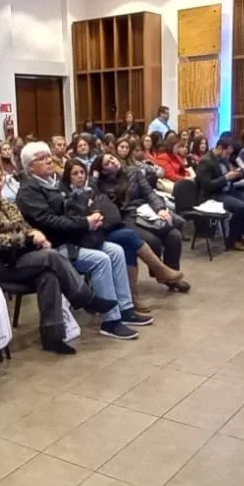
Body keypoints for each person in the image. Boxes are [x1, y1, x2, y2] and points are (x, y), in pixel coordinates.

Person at [0, 160, 106, 355]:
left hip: (16, 257)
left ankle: (52, 337)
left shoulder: (5, 202)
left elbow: (24, 226)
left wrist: (38, 236)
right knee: (52, 258)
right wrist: (29, 237)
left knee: (48, 274)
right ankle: (85, 298)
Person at [16, 142, 144, 340]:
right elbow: (48, 222)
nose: (49, 160)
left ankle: (125, 309)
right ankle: (111, 321)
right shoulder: (28, 192)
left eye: (48, 156)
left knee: (116, 251)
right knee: (101, 260)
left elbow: (72, 208)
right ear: (30, 166)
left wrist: (94, 215)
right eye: (41, 158)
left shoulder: (53, 183)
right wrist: (85, 222)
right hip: (53, 247)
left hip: (74, 238)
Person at [62, 158, 160, 313]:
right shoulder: (65, 196)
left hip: (101, 231)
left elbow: (113, 214)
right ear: (68, 177)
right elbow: (73, 221)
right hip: (82, 241)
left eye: (82, 172)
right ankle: (157, 272)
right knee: (128, 237)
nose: (80, 176)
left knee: (126, 244)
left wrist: (97, 214)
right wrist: (91, 214)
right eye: (75, 174)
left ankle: (128, 303)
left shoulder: (91, 191)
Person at [100, 152, 189, 292]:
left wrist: (160, 209)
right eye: (107, 163)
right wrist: (94, 176)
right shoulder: (102, 184)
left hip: (145, 210)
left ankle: (172, 279)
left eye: (111, 158)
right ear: (103, 170)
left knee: (174, 235)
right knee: (152, 241)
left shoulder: (133, 172)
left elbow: (149, 193)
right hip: (125, 217)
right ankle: (159, 271)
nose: (112, 162)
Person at [195, 135, 244, 250]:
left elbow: (228, 177)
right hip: (213, 195)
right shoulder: (205, 162)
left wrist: (236, 174)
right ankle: (231, 241)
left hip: (228, 190)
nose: (228, 156)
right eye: (227, 153)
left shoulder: (224, 159)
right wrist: (226, 178)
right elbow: (207, 186)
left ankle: (239, 232)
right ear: (220, 148)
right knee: (240, 207)